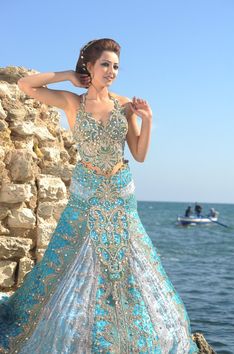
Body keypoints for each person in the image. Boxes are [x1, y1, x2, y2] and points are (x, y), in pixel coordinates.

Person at [0, 38, 199, 353]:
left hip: (121, 194)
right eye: (105, 64)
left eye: (116, 66)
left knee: (129, 263)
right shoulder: (72, 102)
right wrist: (68, 74)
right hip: (87, 194)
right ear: (89, 67)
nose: (112, 72)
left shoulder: (123, 105)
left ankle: (129, 332)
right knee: (71, 260)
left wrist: (147, 120)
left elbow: (140, 153)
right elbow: (27, 85)